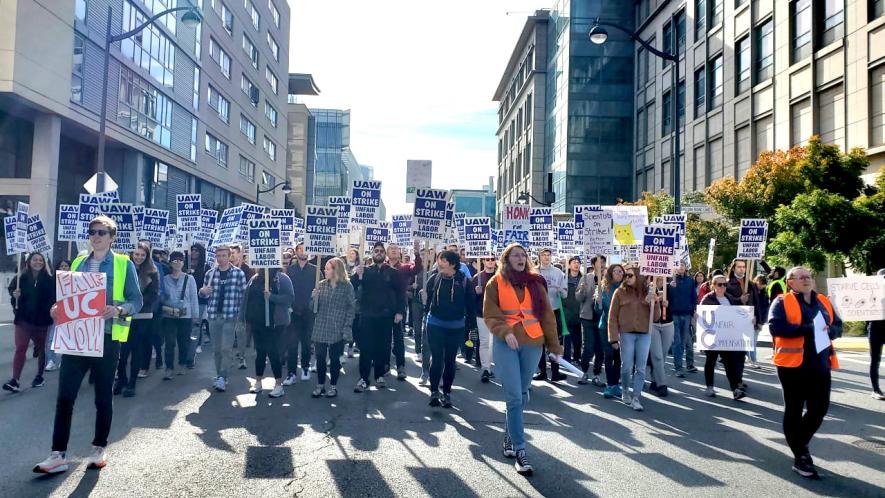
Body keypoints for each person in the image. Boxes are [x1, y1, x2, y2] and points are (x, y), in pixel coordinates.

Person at [34, 215, 143, 473]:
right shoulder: (79, 261)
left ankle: (98, 448)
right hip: (76, 338)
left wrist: (118, 310)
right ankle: (58, 453)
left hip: (106, 338)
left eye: (102, 232)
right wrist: (56, 308)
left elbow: (136, 301)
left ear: (112, 237)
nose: (96, 236)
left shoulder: (123, 264)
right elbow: (68, 297)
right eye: (92, 231)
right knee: (65, 396)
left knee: (102, 396)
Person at [483, 243, 561, 476]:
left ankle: (509, 435)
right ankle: (520, 449)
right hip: (505, 343)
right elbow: (490, 314)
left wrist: (554, 346)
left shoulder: (536, 282)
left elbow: (547, 315)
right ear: (506, 260)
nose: (520, 258)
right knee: (515, 396)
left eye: (523, 255)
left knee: (522, 393)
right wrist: (505, 331)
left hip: (532, 343)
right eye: (515, 255)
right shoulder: (494, 283)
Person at [768, 266, 842, 479]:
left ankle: (798, 443)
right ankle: (801, 456)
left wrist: (832, 331)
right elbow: (776, 328)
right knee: (794, 408)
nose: (806, 279)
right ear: (790, 282)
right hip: (792, 366)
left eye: (809, 276)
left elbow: (838, 325)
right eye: (801, 277)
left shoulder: (823, 301)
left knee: (819, 409)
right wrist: (809, 328)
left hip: (820, 363)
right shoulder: (782, 301)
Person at [351, 242, 405, 392]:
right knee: (366, 347)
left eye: (381, 251)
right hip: (367, 315)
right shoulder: (365, 271)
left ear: (385, 254)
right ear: (372, 253)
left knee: (383, 347)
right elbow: (352, 286)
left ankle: (379, 376)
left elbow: (401, 294)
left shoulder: (393, 272)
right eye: (376, 251)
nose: (379, 253)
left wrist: (399, 311)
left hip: (386, 316)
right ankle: (364, 378)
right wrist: (357, 274)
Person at [423, 250, 475, 408]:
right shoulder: (434, 278)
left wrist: (471, 325)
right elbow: (429, 299)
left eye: (443, 260)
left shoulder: (464, 281)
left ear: (452, 264)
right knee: (437, 358)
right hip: (435, 324)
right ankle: (433, 392)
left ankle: (446, 393)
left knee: (450, 360)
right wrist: (426, 311)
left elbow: (470, 305)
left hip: (455, 326)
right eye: (439, 260)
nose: (439, 263)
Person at [608, 265, 660, 412]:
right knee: (626, 366)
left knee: (641, 367)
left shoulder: (649, 291)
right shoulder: (619, 292)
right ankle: (625, 390)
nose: (626, 278)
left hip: (645, 333)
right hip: (626, 333)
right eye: (625, 275)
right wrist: (613, 338)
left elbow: (655, 317)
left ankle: (636, 397)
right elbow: (612, 317)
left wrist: (654, 303)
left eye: (630, 275)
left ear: (638, 276)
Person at [4, 252, 54, 393]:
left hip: (41, 321)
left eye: (40, 260)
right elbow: (14, 297)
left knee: (40, 348)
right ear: (29, 262)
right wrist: (15, 296)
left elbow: (53, 299)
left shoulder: (49, 280)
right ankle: (15, 380)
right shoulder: (21, 278)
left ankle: (39, 376)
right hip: (23, 320)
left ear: (44, 263)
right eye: (35, 260)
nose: (38, 262)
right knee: (21, 347)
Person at [199, 245, 246, 392]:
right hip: (213, 316)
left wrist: (241, 317)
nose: (221, 259)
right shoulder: (210, 274)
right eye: (218, 256)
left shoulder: (238, 273)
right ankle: (220, 375)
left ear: (229, 256)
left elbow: (243, 296)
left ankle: (223, 377)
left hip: (230, 316)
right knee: (216, 349)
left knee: (226, 348)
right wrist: (203, 291)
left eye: (224, 256)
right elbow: (203, 293)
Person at [114, 242, 159, 397]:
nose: (139, 257)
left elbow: (154, 294)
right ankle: (121, 380)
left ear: (147, 256)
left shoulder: (152, 272)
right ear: (131, 254)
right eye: (136, 254)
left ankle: (132, 383)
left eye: (142, 255)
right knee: (121, 350)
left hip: (141, 316)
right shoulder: (123, 268)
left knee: (136, 349)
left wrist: (136, 302)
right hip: (122, 313)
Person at [243, 267, 293, 398]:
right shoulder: (255, 278)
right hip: (257, 321)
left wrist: (272, 297)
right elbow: (246, 298)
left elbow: (289, 298)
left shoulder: (282, 278)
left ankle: (278, 385)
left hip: (274, 323)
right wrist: (244, 317)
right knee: (259, 352)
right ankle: (258, 382)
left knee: (273, 351)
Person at [310, 258, 355, 398]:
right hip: (321, 325)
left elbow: (351, 308)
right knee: (320, 357)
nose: (325, 271)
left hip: (337, 326)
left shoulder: (347, 286)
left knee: (335, 359)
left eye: (328, 268)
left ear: (336, 270)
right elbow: (312, 309)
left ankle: (333, 386)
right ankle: (320, 384)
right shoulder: (321, 285)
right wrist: (313, 298)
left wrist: (347, 326)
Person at [700, 274, 748, 399]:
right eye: (719, 284)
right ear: (713, 285)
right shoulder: (707, 299)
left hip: (727, 336)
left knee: (729, 363)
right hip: (712, 336)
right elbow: (702, 316)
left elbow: (738, 309)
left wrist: (748, 317)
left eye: (724, 284)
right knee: (711, 361)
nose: (722, 287)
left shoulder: (729, 298)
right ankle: (710, 387)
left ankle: (735, 389)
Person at [159, 251, 199, 380]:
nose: (177, 263)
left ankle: (182, 363)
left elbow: (194, 298)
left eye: (180, 261)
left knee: (183, 341)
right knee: (169, 342)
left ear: (183, 263)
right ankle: (169, 368)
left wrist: (195, 315)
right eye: (175, 261)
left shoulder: (189, 278)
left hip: (185, 315)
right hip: (169, 315)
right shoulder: (164, 279)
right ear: (170, 263)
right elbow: (161, 296)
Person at [386, 241, 422, 380]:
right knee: (384, 339)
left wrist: (417, 254)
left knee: (398, 338)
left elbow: (417, 268)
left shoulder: (405, 267)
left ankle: (401, 366)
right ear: (387, 252)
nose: (394, 250)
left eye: (396, 248)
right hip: (382, 308)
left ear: (399, 252)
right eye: (391, 249)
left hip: (398, 308)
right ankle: (384, 364)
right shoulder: (382, 267)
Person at [283, 242, 317, 385]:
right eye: (300, 249)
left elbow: (322, 288)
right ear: (296, 252)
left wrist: (317, 294)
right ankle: (291, 373)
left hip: (309, 313)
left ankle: (305, 367)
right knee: (291, 344)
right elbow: (284, 290)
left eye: (306, 249)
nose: (303, 252)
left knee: (306, 343)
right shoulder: (289, 270)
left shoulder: (316, 270)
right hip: (293, 312)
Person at [535, 248, 567, 382]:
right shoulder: (534, 272)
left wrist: (560, 290)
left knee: (555, 342)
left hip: (554, 311)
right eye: (544, 255)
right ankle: (542, 371)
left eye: (548, 255)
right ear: (539, 257)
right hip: (539, 312)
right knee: (539, 342)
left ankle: (555, 372)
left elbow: (565, 294)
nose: (546, 257)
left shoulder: (558, 272)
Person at [576, 255, 606, 386]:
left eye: (604, 263)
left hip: (602, 318)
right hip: (587, 317)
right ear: (593, 265)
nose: (602, 265)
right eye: (600, 263)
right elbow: (578, 298)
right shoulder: (586, 278)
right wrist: (582, 290)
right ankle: (584, 372)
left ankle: (597, 374)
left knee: (600, 348)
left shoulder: (608, 278)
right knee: (588, 347)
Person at [597, 264, 624, 399]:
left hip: (623, 328)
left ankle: (616, 385)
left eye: (621, 271)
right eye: (616, 271)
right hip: (606, 327)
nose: (619, 273)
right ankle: (610, 384)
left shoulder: (626, 288)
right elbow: (598, 311)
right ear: (610, 273)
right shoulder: (604, 288)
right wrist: (598, 303)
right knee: (609, 356)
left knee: (618, 357)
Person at [669, 262, 698, 377]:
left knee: (685, 341)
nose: (680, 267)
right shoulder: (671, 281)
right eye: (678, 265)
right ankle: (678, 368)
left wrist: (692, 311)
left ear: (686, 268)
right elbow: (668, 297)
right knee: (677, 342)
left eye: (683, 265)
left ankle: (688, 365)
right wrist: (671, 287)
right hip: (675, 314)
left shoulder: (690, 281)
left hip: (686, 315)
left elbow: (693, 297)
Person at [472, 256, 497, 383]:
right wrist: (476, 293)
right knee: (484, 342)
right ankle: (485, 368)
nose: (490, 261)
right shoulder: (478, 278)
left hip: (497, 315)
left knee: (493, 344)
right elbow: (470, 299)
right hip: (481, 314)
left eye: (492, 259)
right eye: (487, 259)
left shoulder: (500, 276)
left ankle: (489, 365)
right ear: (483, 261)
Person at [647, 277, 673, 397]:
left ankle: (654, 379)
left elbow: (679, 306)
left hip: (668, 324)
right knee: (656, 355)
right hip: (653, 325)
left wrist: (669, 305)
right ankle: (662, 384)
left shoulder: (671, 288)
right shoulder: (648, 288)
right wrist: (653, 301)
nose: (660, 279)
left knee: (662, 354)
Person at [44, 259, 72, 373]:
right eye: (61, 266)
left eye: (66, 266)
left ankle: (65, 360)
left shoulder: (75, 280)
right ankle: (51, 360)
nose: (64, 268)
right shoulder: (53, 281)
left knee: (69, 338)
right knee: (52, 338)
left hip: (71, 313)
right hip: (58, 312)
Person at [230, 243, 255, 369]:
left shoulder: (247, 270)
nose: (232, 256)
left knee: (241, 335)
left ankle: (241, 357)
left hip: (241, 308)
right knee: (228, 335)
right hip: (228, 308)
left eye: (234, 253)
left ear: (240, 254)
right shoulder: (224, 268)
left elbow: (250, 289)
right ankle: (228, 358)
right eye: (231, 253)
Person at [189, 243, 209, 360]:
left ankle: (197, 344)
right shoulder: (185, 265)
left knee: (197, 324)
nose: (194, 252)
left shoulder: (205, 267)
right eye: (192, 250)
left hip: (200, 300)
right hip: (187, 300)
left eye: (197, 250)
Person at [561, 257, 583, 366]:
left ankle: (577, 357)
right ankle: (566, 358)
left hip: (580, 312)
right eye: (574, 262)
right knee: (567, 336)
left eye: (578, 263)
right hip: (566, 311)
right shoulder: (563, 278)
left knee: (578, 338)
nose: (576, 264)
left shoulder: (584, 279)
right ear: (569, 265)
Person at [748, 274, 770, 369]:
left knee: (753, 341)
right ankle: (752, 360)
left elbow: (765, 309)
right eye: (759, 283)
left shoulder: (764, 294)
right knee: (750, 342)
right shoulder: (751, 291)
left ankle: (752, 359)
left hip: (758, 321)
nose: (761, 286)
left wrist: (761, 322)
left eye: (762, 284)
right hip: (750, 319)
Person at [869, 269, 885, 400]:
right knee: (875, 360)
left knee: (875, 360)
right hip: (875, 329)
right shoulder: (870, 293)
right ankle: (876, 390)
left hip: (876, 328)